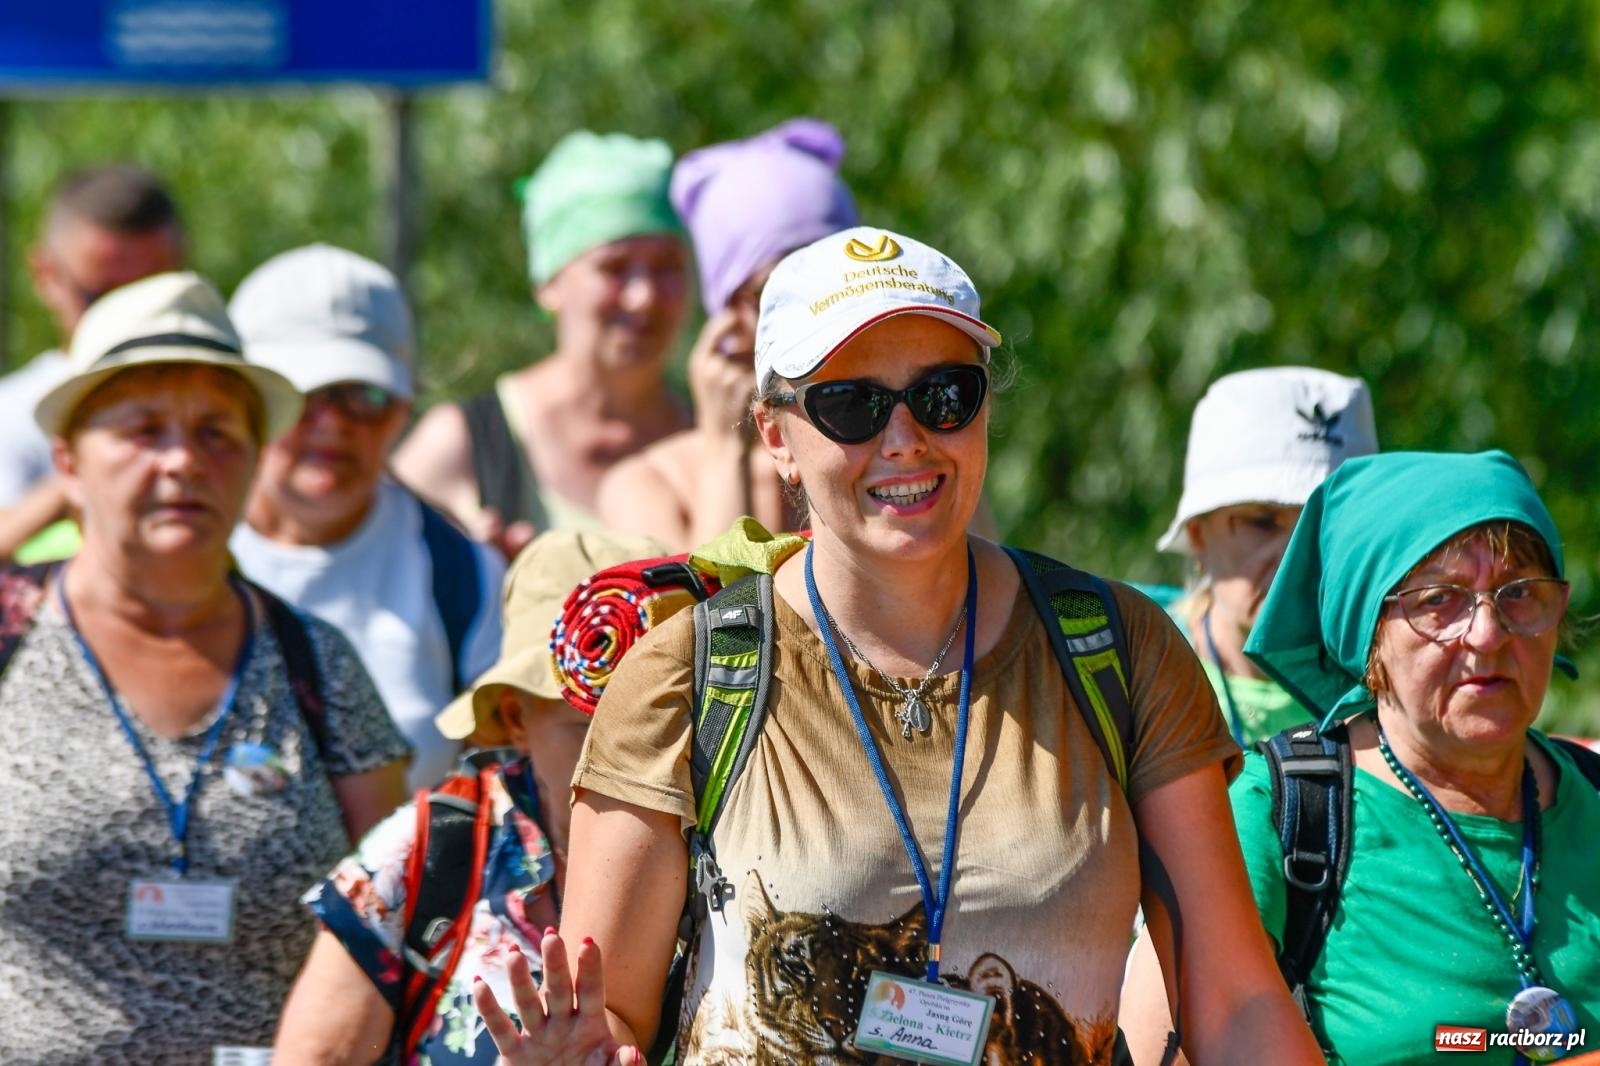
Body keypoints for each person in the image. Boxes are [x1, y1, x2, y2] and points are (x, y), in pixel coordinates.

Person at [472, 227, 1324, 1065]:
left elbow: (1236, 999)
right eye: (852, 405)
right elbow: (609, 1013)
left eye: (945, 395)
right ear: (777, 436)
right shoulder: (684, 679)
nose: (906, 438)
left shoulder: (1120, 650)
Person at [0, 272, 411, 1061]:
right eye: (144, 429)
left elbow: (391, 922)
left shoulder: (318, 665)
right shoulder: (11, 640)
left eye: (218, 433)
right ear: (68, 463)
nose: (183, 461)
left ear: (256, 458)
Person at [1121, 450, 1600, 1065]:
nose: (1487, 633)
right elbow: (1150, 1049)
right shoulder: (1282, 816)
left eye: (1520, 593)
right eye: (1440, 600)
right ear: (1368, 632)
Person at [275, 528, 664, 1065]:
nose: (642, 755)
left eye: (665, 715)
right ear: (515, 719)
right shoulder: (437, 843)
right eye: (594, 728)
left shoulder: (742, 844)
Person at [230, 244, 506, 791]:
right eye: (301, 396)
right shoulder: (173, 557)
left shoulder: (462, 574)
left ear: (404, 407)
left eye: (366, 396)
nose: (332, 424)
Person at [394, 131, 693, 557]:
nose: (643, 296)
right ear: (548, 283)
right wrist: (462, 573)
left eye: (667, 266)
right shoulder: (468, 443)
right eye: (614, 267)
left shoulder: (719, 441)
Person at [596, 118, 858, 550]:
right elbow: (702, 616)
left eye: (838, 283)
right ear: (726, 315)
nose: (819, 312)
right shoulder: (647, 486)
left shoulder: (892, 444)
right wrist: (725, 450)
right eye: (777, 292)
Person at [1156, 366, 1376, 745]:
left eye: (1327, 522)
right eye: (1261, 521)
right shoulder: (1135, 677)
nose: (1298, 555)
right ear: (1198, 537)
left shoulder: (1404, 690)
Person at [0, 163, 186, 560]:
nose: (130, 319)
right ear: (45, 274)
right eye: (101, 297)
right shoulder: (11, 412)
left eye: (152, 293)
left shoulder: (228, 395)